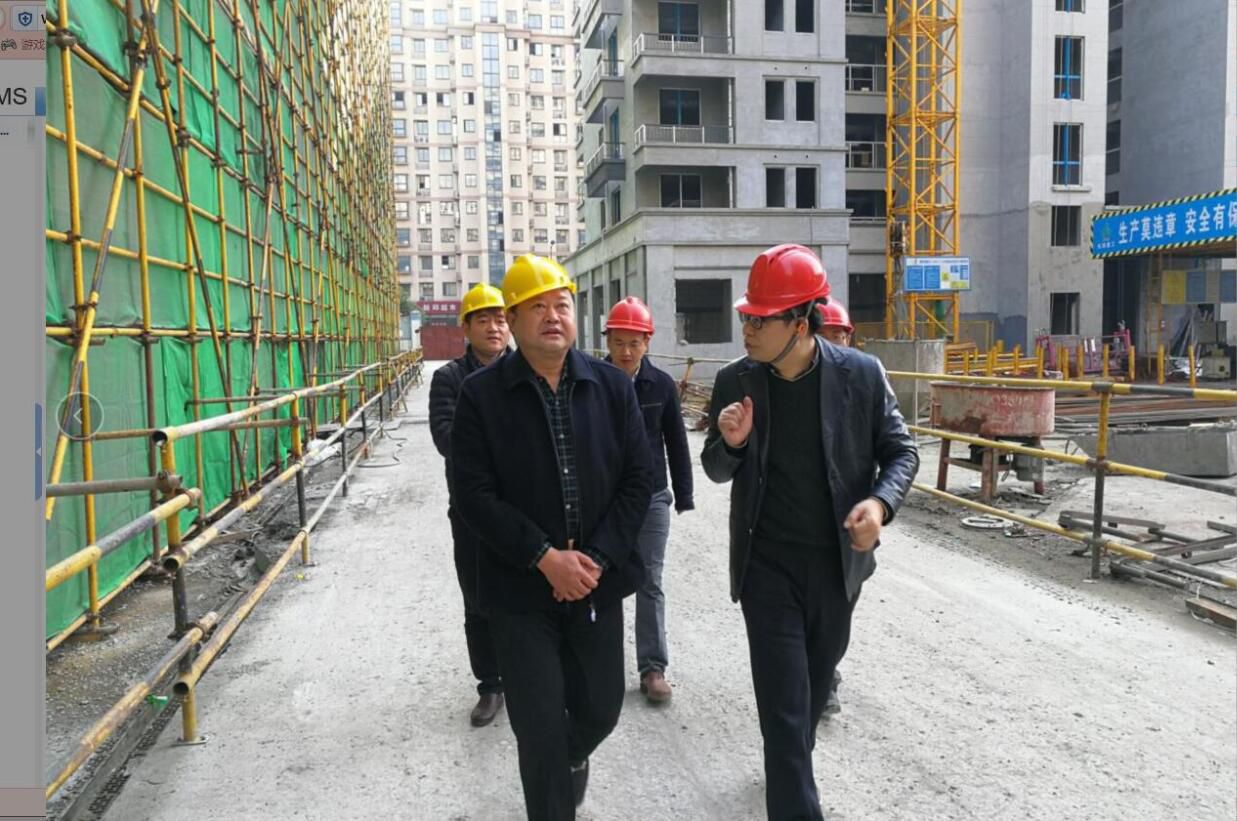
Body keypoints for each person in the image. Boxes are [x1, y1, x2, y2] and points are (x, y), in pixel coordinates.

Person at [701, 245, 919, 821]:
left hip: (834, 568)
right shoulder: (735, 380)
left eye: (760, 320)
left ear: (800, 324)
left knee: (813, 696)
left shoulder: (860, 375)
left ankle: (789, 769)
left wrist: (879, 504)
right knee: (784, 712)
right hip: (766, 567)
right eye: (746, 317)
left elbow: (902, 452)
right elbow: (714, 468)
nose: (747, 329)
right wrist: (732, 444)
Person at [451, 254, 653, 820]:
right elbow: (472, 493)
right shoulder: (481, 396)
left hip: (596, 583)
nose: (552, 316)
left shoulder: (611, 387)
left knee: (601, 709)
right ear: (513, 320)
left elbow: (639, 478)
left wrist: (596, 558)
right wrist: (543, 557)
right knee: (538, 730)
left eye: (561, 305)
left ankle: (571, 756)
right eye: (535, 307)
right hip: (519, 591)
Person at [603, 296, 694, 704]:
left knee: (650, 580)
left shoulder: (661, 385)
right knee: (602, 579)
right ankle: (600, 668)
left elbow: (676, 441)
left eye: (634, 343)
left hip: (653, 495)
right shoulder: (594, 381)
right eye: (619, 342)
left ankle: (652, 668)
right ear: (608, 341)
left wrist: (684, 493)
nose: (626, 351)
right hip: (606, 497)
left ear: (647, 342)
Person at [428, 283, 511, 727]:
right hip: (471, 510)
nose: (494, 327)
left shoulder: (527, 369)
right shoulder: (449, 379)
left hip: (525, 507)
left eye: (500, 319)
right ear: (466, 327)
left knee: (527, 596)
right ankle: (490, 684)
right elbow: (447, 439)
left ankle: (527, 675)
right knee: (478, 598)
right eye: (484, 319)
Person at [814, 298, 854, 718]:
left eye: (838, 336)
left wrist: (879, 502)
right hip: (806, 522)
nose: (831, 345)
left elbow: (898, 450)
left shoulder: (865, 382)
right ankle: (821, 681)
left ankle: (827, 669)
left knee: (840, 608)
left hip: (850, 521)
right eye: (823, 336)